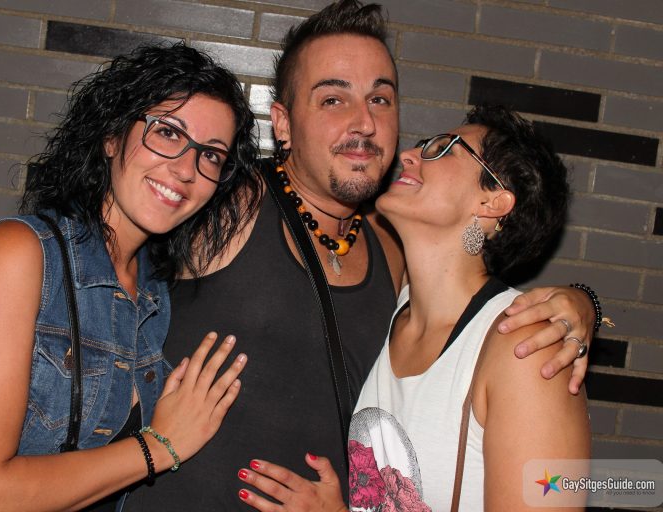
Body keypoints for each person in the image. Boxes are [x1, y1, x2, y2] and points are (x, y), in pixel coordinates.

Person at [0, 1, 598, 509]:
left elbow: (475, 291)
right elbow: (85, 257)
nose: (364, 121)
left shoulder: (396, 250)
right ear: (283, 125)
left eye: (381, 100)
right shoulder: (226, 200)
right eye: (333, 99)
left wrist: (582, 304)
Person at [0, 43, 260, 510]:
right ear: (112, 136)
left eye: (210, 155)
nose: (186, 169)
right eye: (168, 132)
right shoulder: (19, 252)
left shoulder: (155, 289)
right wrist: (160, 446)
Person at [237, 106, 591, 511]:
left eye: (443, 149)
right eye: (423, 145)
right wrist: (587, 301)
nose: (407, 155)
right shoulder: (396, 301)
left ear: (493, 201)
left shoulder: (528, 349)